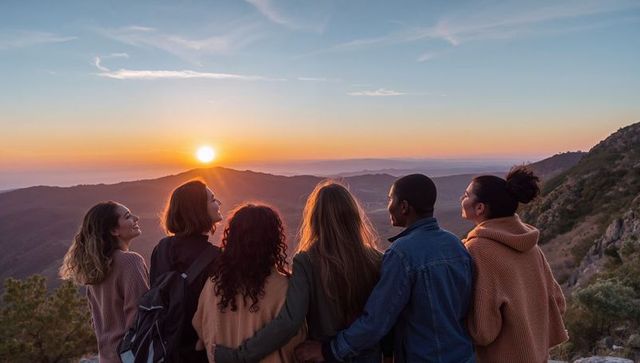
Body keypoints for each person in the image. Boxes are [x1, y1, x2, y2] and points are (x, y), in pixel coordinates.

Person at [296, 174, 475, 363]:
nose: (389, 205)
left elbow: (376, 321)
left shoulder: (401, 254)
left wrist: (330, 350)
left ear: (404, 207)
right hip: (463, 355)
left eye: (391, 199)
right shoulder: (455, 245)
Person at [214, 181, 389, 362]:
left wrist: (238, 357)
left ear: (314, 218)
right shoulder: (378, 258)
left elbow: (289, 322)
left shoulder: (306, 261)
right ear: (354, 216)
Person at [460, 166, 568, 362]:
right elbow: (558, 303)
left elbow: (483, 331)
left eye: (466, 195)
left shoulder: (479, 249)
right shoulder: (531, 246)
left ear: (480, 208)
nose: (462, 199)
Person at [192, 203, 306, 362]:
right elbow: (296, 342)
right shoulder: (284, 287)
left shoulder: (213, 285)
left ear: (232, 238)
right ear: (273, 239)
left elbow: (201, 328)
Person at [60, 201, 149, 363]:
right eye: (128, 216)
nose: (136, 218)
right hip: (130, 357)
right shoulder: (130, 262)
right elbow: (140, 316)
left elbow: (96, 322)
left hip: (107, 357)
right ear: (114, 230)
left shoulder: (96, 269)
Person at [150, 179, 223, 363]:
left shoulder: (162, 248)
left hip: (166, 347)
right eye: (213, 199)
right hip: (200, 350)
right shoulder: (216, 257)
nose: (219, 203)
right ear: (197, 209)